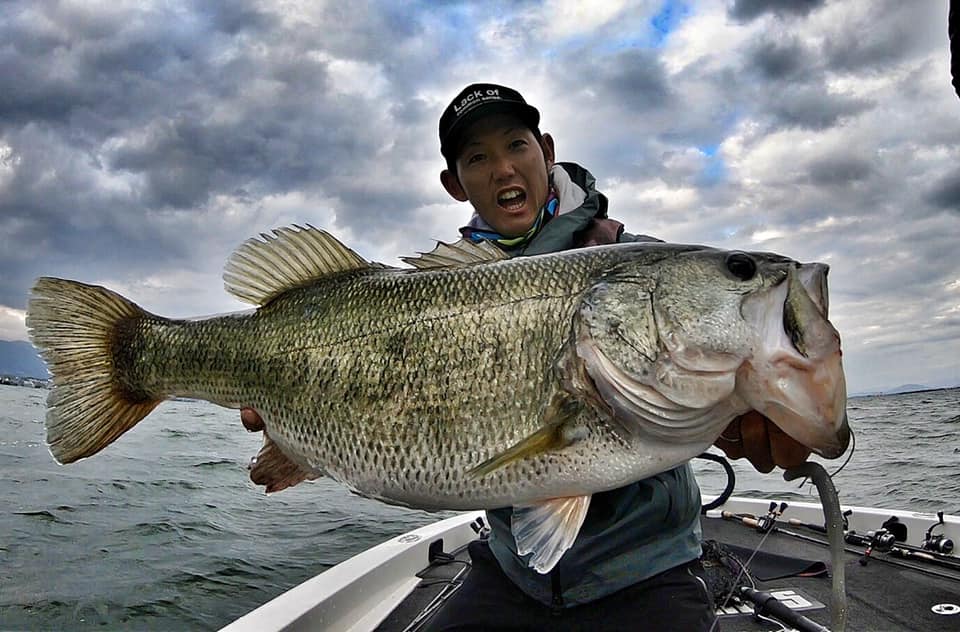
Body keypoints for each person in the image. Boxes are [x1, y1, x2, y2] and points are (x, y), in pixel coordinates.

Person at [239, 83, 811, 631]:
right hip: (513, 571)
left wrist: (755, 409)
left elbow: (716, 384)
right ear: (454, 183)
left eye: (516, 144)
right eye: (477, 157)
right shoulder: (441, 292)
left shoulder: (637, 264)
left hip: (648, 571)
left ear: (547, 151)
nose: (503, 168)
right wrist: (299, 425)